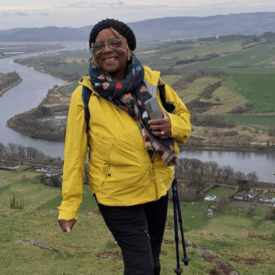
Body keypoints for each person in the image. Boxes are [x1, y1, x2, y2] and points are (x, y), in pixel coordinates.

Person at [58, 18, 191, 275]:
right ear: (93, 54)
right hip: (116, 196)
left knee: (152, 263)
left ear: (129, 47)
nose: (107, 49)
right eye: (99, 46)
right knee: (140, 267)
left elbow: (185, 122)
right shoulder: (84, 96)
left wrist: (172, 126)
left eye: (115, 42)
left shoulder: (153, 82)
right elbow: (74, 156)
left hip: (156, 189)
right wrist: (69, 206)